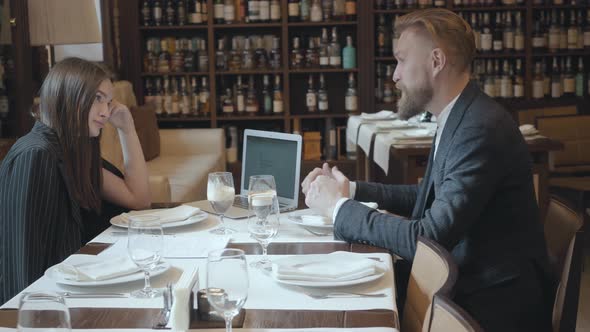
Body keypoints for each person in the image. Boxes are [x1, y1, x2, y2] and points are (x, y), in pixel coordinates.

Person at [302, 9, 553, 332]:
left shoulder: (479, 128)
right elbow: (429, 196)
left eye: (402, 60)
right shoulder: (460, 115)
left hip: (489, 305)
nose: (394, 75)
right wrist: (352, 191)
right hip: (468, 285)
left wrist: (338, 209)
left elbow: (430, 239)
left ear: (436, 61)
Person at [0, 57, 151, 303]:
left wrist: (127, 129)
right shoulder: (36, 155)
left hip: (79, 287)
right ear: (68, 96)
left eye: (109, 101)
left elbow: (139, 199)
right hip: (49, 305)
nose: (105, 111)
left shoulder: (72, 150)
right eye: (97, 98)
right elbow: (22, 260)